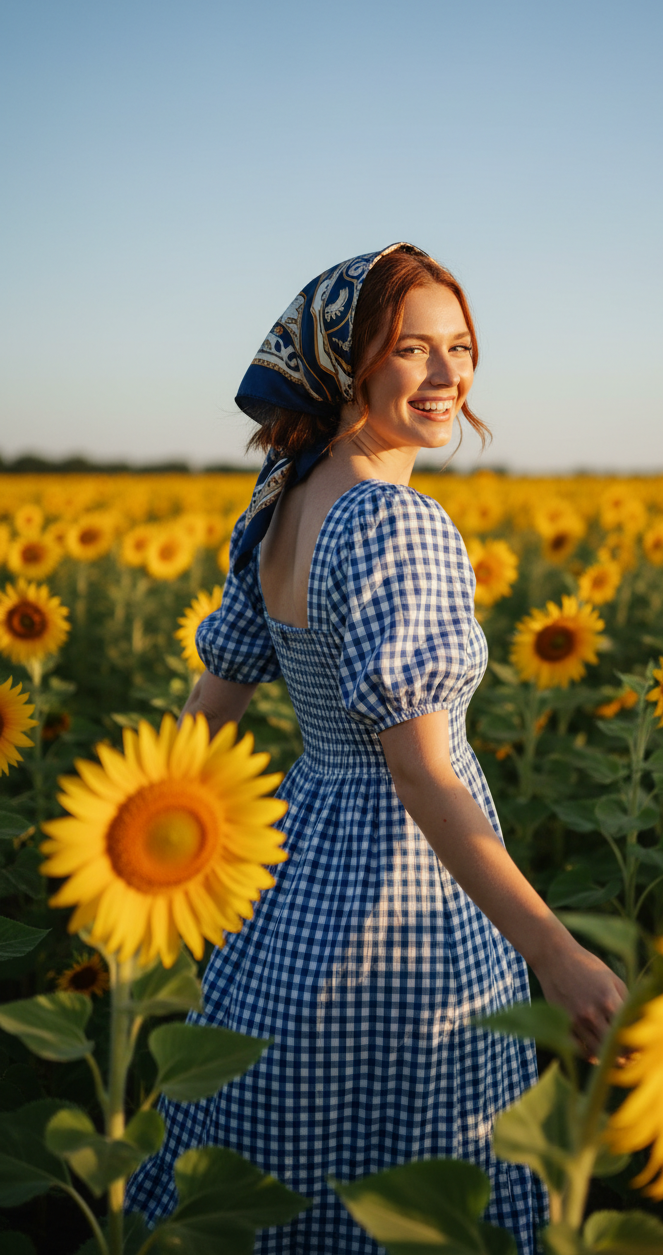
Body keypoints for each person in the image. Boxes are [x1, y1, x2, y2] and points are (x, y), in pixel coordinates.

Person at [126, 243, 625, 1253]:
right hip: (405, 891)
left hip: (290, 875)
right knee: (425, 1180)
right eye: (413, 351)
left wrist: (144, 872)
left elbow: (204, 712)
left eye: (461, 347)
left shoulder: (281, 504)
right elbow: (419, 769)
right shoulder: (398, 525)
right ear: (349, 366)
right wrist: (558, 953)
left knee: (287, 1169)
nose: (449, 377)